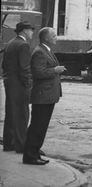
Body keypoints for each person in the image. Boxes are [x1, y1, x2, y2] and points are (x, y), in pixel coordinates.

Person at [22, 27, 66, 165]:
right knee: (37, 126)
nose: (56, 37)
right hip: (42, 96)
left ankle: (34, 153)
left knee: (40, 126)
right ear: (46, 38)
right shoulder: (39, 52)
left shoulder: (46, 50)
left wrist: (55, 70)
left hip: (47, 96)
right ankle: (30, 156)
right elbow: (39, 73)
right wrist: (55, 70)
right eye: (53, 35)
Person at [2, 21, 34, 154]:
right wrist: (28, 84)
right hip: (19, 85)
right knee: (22, 114)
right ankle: (21, 145)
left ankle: (8, 143)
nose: (32, 32)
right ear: (24, 31)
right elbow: (25, 68)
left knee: (11, 113)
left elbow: (4, 65)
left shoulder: (10, 43)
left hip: (9, 82)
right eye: (31, 30)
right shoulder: (23, 45)